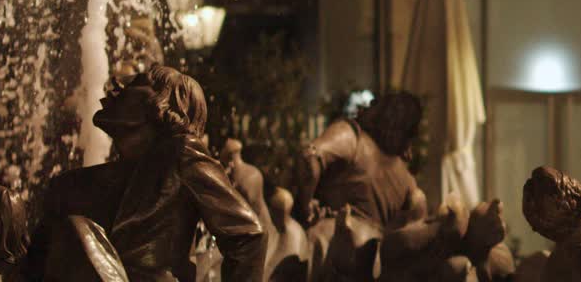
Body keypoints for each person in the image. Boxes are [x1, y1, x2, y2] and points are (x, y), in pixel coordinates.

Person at [25, 66, 264, 282]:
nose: (119, 85)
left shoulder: (180, 153)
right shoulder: (74, 184)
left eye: (137, 81)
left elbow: (248, 235)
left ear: (163, 104)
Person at [292, 92, 424, 231]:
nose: (364, 108)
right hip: (373, 250)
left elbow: (309, 158)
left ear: (383, 113)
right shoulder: (407, 180)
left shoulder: (351, 137)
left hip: (328, 244)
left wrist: (305, 207)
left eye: (373, 104)